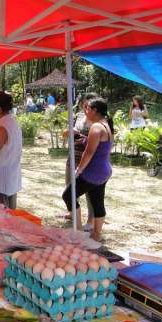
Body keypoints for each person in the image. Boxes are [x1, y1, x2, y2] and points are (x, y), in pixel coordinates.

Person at [62, 97, 114, 242]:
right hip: (104, 170)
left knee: (68, 195)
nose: (86, 111)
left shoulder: (96, 127)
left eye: (88, 108)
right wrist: (84, 138)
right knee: (98, 202)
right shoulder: (105, 124)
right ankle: (96, 234)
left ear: (95, 110)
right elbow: (100, 145)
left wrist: (78, 169)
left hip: (94, 172)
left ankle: (78, 232)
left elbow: (89, 152)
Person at [63, 92, 99, 231]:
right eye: (84, 105)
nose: (86, 108)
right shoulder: (78, 116)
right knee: (69, 187)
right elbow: (68, 131)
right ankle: (73, 213)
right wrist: (69, 132)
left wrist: (82, 137)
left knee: (90, 193)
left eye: (89, 106)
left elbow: (99, 141)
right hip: (73, 156)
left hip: (89, 161)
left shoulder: (99, 120)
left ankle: (90, 220)